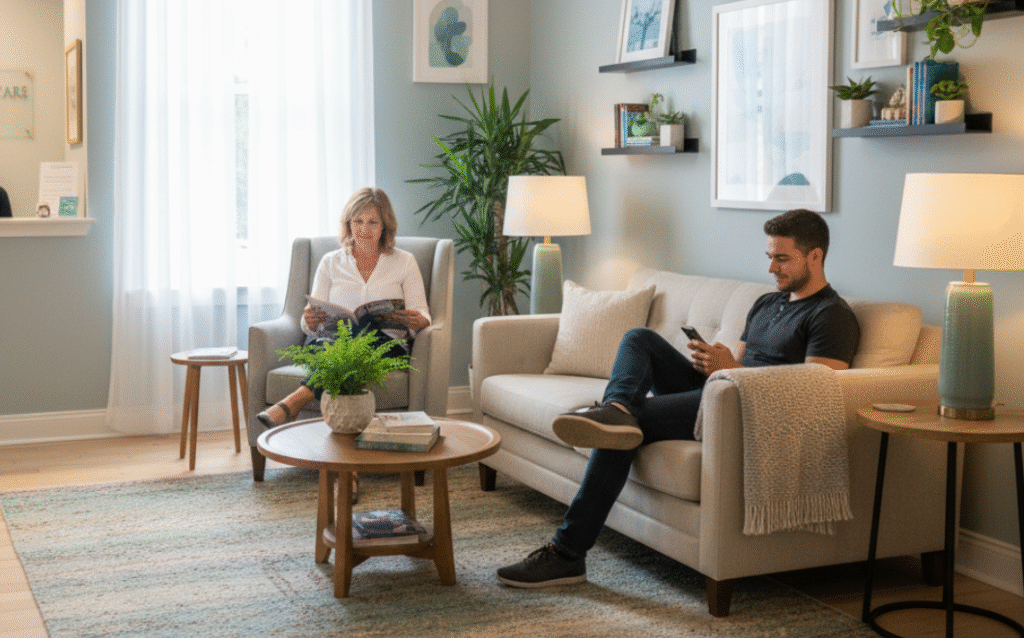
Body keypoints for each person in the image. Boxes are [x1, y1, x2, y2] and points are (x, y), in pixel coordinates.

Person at [496, 209, 861, 588]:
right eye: (769, 256)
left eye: (782, 258)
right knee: (639, 339)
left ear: (815, 256)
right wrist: (715, 362)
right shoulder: (767, 303)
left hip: (745, 412)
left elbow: (817, 392)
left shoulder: (831, 316)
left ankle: (567, 553)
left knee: (623, 428)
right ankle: (616, 407)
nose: (771, 268)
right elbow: (739, 362)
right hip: (720, 391)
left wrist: (732, 372)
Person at [256, 187, 431, 497]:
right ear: (348, 224)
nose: (363, 230)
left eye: (372, 222)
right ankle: (348, 469)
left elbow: (423, 314)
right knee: (343, 361)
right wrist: (307, 321)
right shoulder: (330, 262)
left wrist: (420, 321)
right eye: (357, 221)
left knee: (359, 343)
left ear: (385, 226)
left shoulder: (404, 262)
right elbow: (310, 317)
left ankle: (297, 399)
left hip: (384, 343)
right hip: (332, 343)